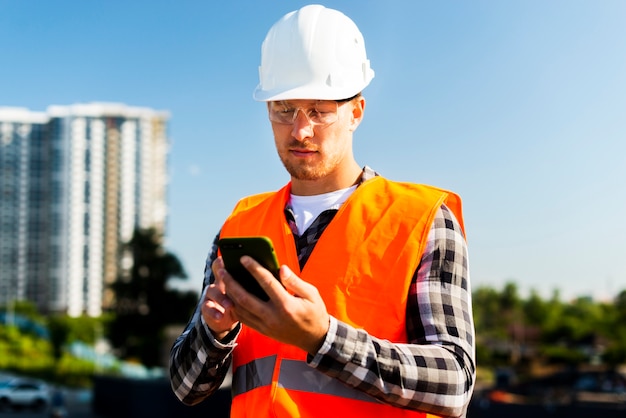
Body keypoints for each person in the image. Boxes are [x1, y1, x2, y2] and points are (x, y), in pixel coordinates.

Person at [169, 4, 475, 418]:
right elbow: (186, 388)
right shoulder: (241, 224)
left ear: (356, 113)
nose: (300, 130)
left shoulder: (421, 220)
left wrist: (324, 338)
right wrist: (214, 331)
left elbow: (454, 384)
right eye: (284, 110)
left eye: (320, 110)